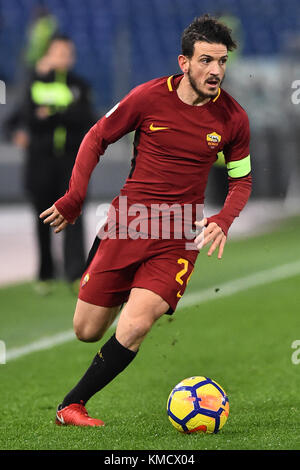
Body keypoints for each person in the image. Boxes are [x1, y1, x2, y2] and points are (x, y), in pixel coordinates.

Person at [40, 15, 252, 426]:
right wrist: (74, 197)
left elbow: (241, 182)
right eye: (206, 60)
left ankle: (71, 405)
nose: (216, 71)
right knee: (86, 330)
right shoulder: (148, 97)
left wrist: (224, 219)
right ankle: (116, 275)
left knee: (136, 324)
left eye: (222, 62)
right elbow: (95, 137)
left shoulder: (233, 118)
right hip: (128, 224)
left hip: (178, 235)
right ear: (183, 62)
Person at [17, 34, 95, 292]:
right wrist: (62, 114)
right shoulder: (34, 83)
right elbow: (28, 118)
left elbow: (86, 119)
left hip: (72, 163)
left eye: (68, 53)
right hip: (40, 162)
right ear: (49, 54)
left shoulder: (80, 85)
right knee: (42, 217)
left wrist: (51, 113)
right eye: (59, 52)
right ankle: (45, 273)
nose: (64, 58)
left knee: (72, 216)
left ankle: (75, 273)